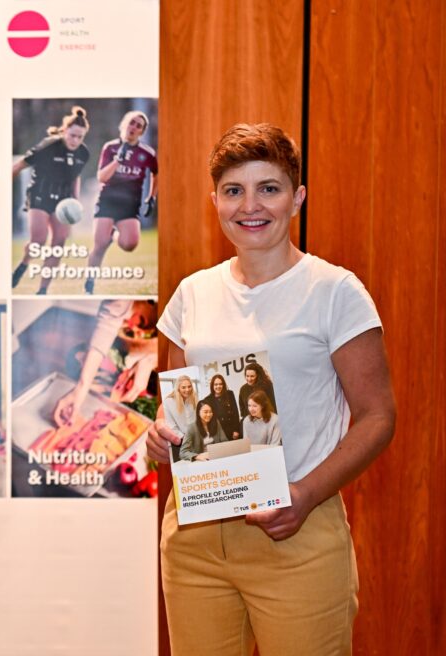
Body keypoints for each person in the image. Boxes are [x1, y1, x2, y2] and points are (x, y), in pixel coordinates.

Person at [147, 123, 394, 655]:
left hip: (298, 530)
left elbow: (377, 417)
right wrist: (160, 442)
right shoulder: (193, 293)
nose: (250, 206)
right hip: (195, 537)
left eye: (269, 188)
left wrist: (304, 497)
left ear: (297, 196)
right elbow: (179, 413)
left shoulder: (335, 291)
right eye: (234, 190)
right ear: (214, 199)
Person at [11, 106, 91, 295]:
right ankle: (23, 264)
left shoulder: (83, 153)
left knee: (58, 245)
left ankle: (42, 290)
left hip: (63, 201)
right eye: (72, 135)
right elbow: (18, 166)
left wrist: (75, 203)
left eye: (80, 137)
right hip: (40, 194)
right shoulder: (48, 146)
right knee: (38, 241)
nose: (76, 140)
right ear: (64, 131)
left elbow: (75, 177)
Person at [85, 110, 158, 295]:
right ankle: (90, 282)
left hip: (129, 204)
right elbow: (101, 177)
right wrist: (118, 160)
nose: (133, 127)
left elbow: (157, 173)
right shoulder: (110, 148)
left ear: (141, 132)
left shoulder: (147, 153)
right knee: (99, 245)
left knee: (130, 244)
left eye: (138, 126)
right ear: (124, 124)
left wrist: (151, 197)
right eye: (131, 123)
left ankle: (114, 235)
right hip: (108, 201)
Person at [202, 373, 240, 440]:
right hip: (218, 433)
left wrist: (236, 430)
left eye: (220, 384)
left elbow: (235, 413)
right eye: (216, 384)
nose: (218, 386)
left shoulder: (230, 394)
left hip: (232, 431)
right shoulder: (207, 399)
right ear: (212, 386)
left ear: (223, 385)